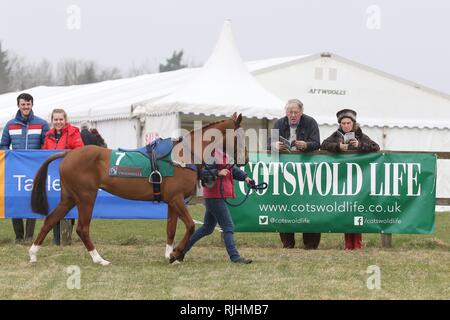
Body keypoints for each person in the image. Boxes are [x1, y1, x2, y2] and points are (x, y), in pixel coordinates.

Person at [321, 108, 380, 250]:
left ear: (353, 123)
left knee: (357, 209)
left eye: (348, 123)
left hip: (359, 177)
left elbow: (376, 147)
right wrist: (337, 146)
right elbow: (323, 144)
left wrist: (360, 146)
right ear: (340, 124)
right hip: (342, 177)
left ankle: (357, 244)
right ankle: (348, 244)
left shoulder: (360, 135)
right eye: (343, 123)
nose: (345, 125)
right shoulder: (336, 135)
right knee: (346, 210)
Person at [182, 148, 254, 264]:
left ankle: (181, 250)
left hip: (217, 196)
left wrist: (246, 178)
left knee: (207, 228)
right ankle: (235, 257)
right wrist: (218, 173)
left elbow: (232, 170)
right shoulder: (211, 154)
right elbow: (203, 173)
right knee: (228, 226)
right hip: (214, 196)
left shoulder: (222, 153)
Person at [270, 99, 321, 250]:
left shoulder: (311, 122)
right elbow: (268, 143)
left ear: (301, 112)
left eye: (296, 112)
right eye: (290, 112)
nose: (293, 115)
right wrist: (274, 145)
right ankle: (287, 242)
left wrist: (306, 145)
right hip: (285, 172)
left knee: (309, 205)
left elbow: (317, 143)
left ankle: (311, 244)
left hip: (307, 171)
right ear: (286, 113)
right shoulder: (279, 123)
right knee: (285, 206)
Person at [0, 93, 49, 244]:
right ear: (18, 105)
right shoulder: (10, 124)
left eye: (28, 104)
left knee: (32, 200)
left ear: (32, 105)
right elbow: (3, 145)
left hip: (34, 169)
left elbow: (46, 145)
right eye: (23, 104)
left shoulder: (42, 124)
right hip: (15, 170)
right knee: (15, 200)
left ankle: (29, 236)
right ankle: (19, 237)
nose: (26, 107)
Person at [43, 109, 84, 245]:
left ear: (65, 120)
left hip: (70, 173)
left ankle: (66, 237)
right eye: (56, 119)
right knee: (55, 203)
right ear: (52, 120)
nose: (58, 122)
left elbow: (79, 150)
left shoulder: (73, 132)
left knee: (68, 203)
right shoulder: (48, 135)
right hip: (53, 174)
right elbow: (44, 153)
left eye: (61, 119)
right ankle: (56, 238)